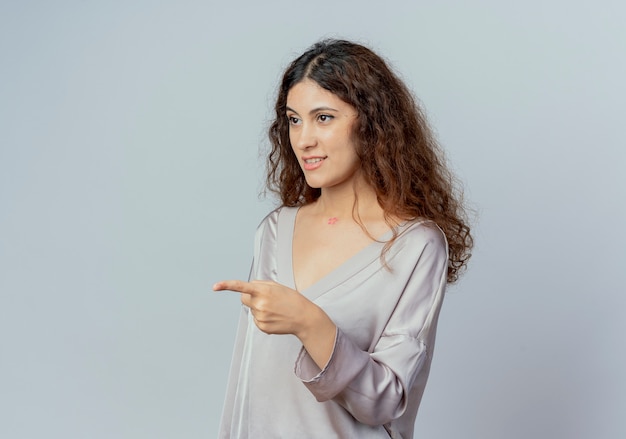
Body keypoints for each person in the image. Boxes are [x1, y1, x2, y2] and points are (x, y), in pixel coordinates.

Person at [213, 39, 473, 438]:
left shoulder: (415, 245)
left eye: (323, 117)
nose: (303, 140)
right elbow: (249, 384)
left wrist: (309, 323)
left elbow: (386, 401)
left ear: (371, 123)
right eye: (294, 119)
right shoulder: (275, 230)